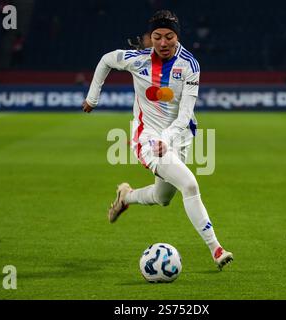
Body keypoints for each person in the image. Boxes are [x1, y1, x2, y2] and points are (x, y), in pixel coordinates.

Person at [82, 10, 233, 270]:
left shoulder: (189, 65)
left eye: (169, 37)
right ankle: (216, 248)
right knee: (189, 185)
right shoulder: (137, 59)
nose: (163, 43)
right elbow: (106, 60)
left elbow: (186, 113)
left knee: (163, 198)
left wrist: (169, 138)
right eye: (157, 37)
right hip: (147, 138)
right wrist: (92, 98)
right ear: (151, 37)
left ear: (177, 36)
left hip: (178, 137)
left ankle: (125, 197)